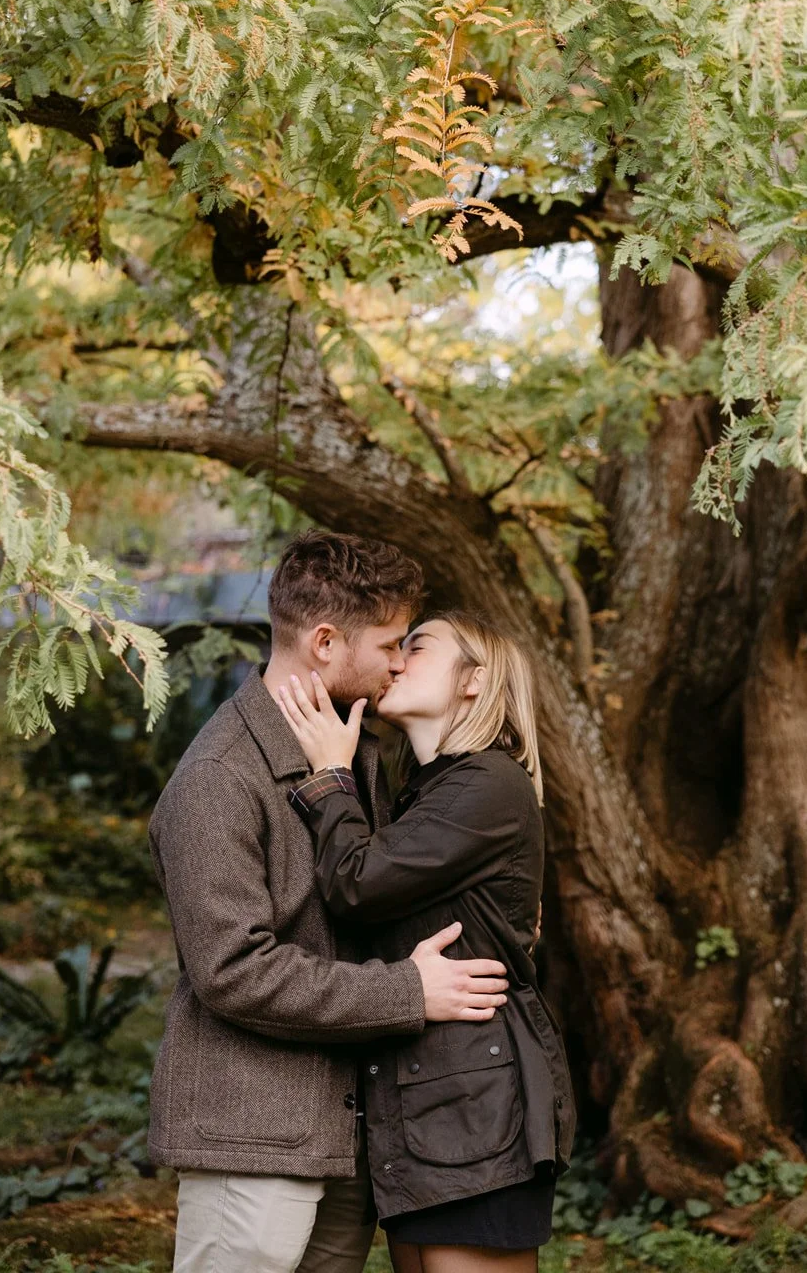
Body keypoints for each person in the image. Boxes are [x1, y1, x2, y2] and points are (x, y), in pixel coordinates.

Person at [148, 534, 511, 1273]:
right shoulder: (217, 778)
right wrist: (406, 991)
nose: (398, 662)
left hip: (341, 1135)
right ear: (323, 642)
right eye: (387, 644)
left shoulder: (359, 754)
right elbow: (232, 971)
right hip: (250, 1138)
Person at [277, 611, 576, 1273]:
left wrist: (328, 777)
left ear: (473, 681)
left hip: (473, 1110)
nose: (397, 659)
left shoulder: (487, 782)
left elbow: (358, 882)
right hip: (424, 1104)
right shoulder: (426, 791)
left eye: (418, 646)